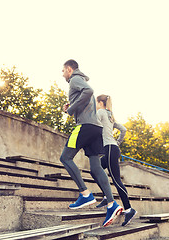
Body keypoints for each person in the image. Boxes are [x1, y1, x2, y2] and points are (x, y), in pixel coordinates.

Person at [60, 59, 123, 227]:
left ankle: (85, 194)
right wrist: (71, 105)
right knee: (95, 167)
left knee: (65, 158)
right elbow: (86, 96)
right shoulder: (79, 80)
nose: (63, 74)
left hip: (85, 126)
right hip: (96, 129)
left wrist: (71, 109)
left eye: (63, 71)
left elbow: (89, 91)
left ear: (69, 69)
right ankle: (112, 204)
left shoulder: (74, 79)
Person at [94, 94, 137, 226]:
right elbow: (123, 129)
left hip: (110, 149)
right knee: (96, 169)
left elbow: (91, 123)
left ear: (101, 103)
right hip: (112, 148)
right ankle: (107, 196)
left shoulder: (100, 112)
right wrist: (117, 142)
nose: (96, 105)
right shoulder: (110, 115)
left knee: (116, 180)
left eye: (96, 102)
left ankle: (129, 209)